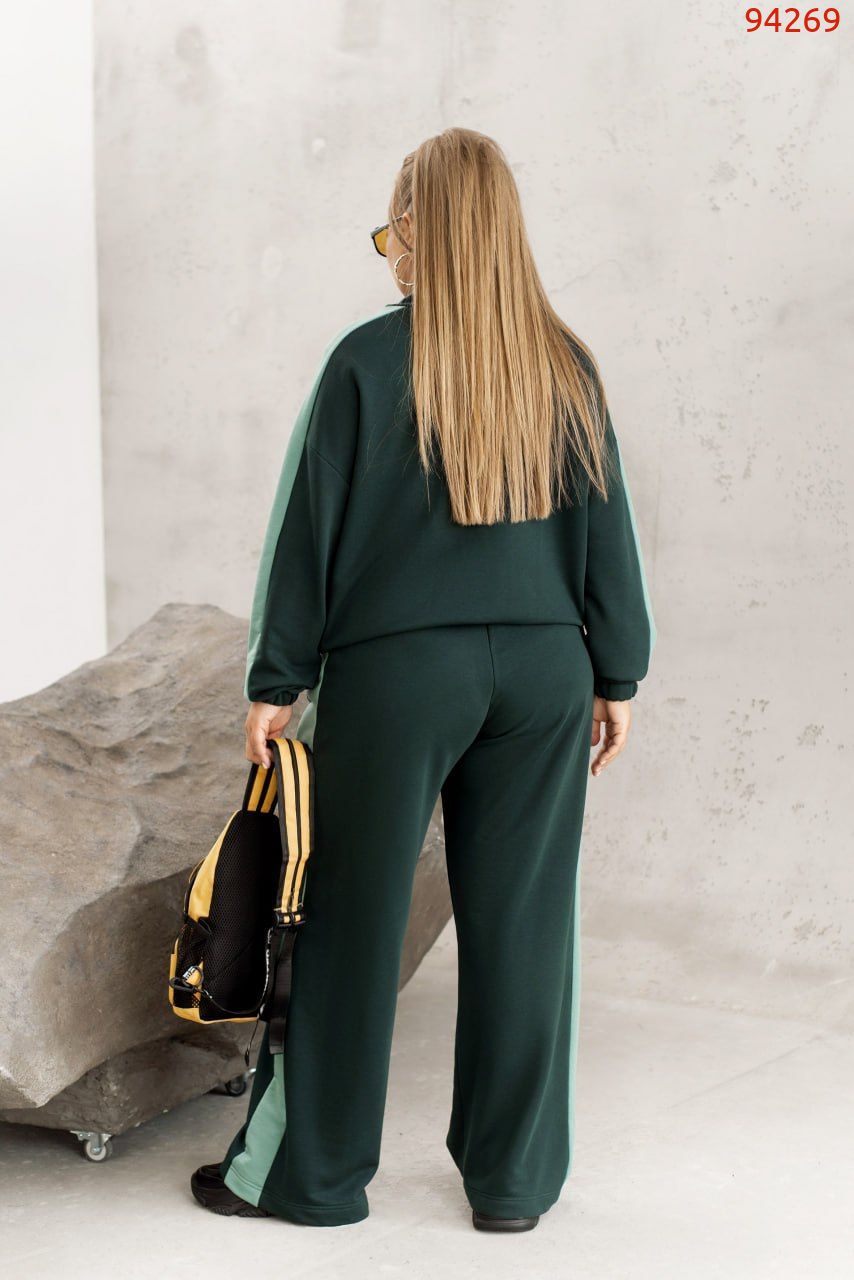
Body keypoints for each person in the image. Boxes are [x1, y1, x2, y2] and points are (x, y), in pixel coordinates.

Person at [191, 126, 655, 1233]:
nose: (388, 248)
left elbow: (306, 528)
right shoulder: (566, 363)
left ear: (417, 227)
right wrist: (617, 672)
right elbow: (609, 529)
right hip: (545, 673)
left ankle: (310, 1180)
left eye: (390, 228)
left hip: (398, 674)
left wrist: (276, 676)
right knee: (525, 930)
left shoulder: (364, 360)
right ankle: (513, 1187)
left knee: (347, 921)